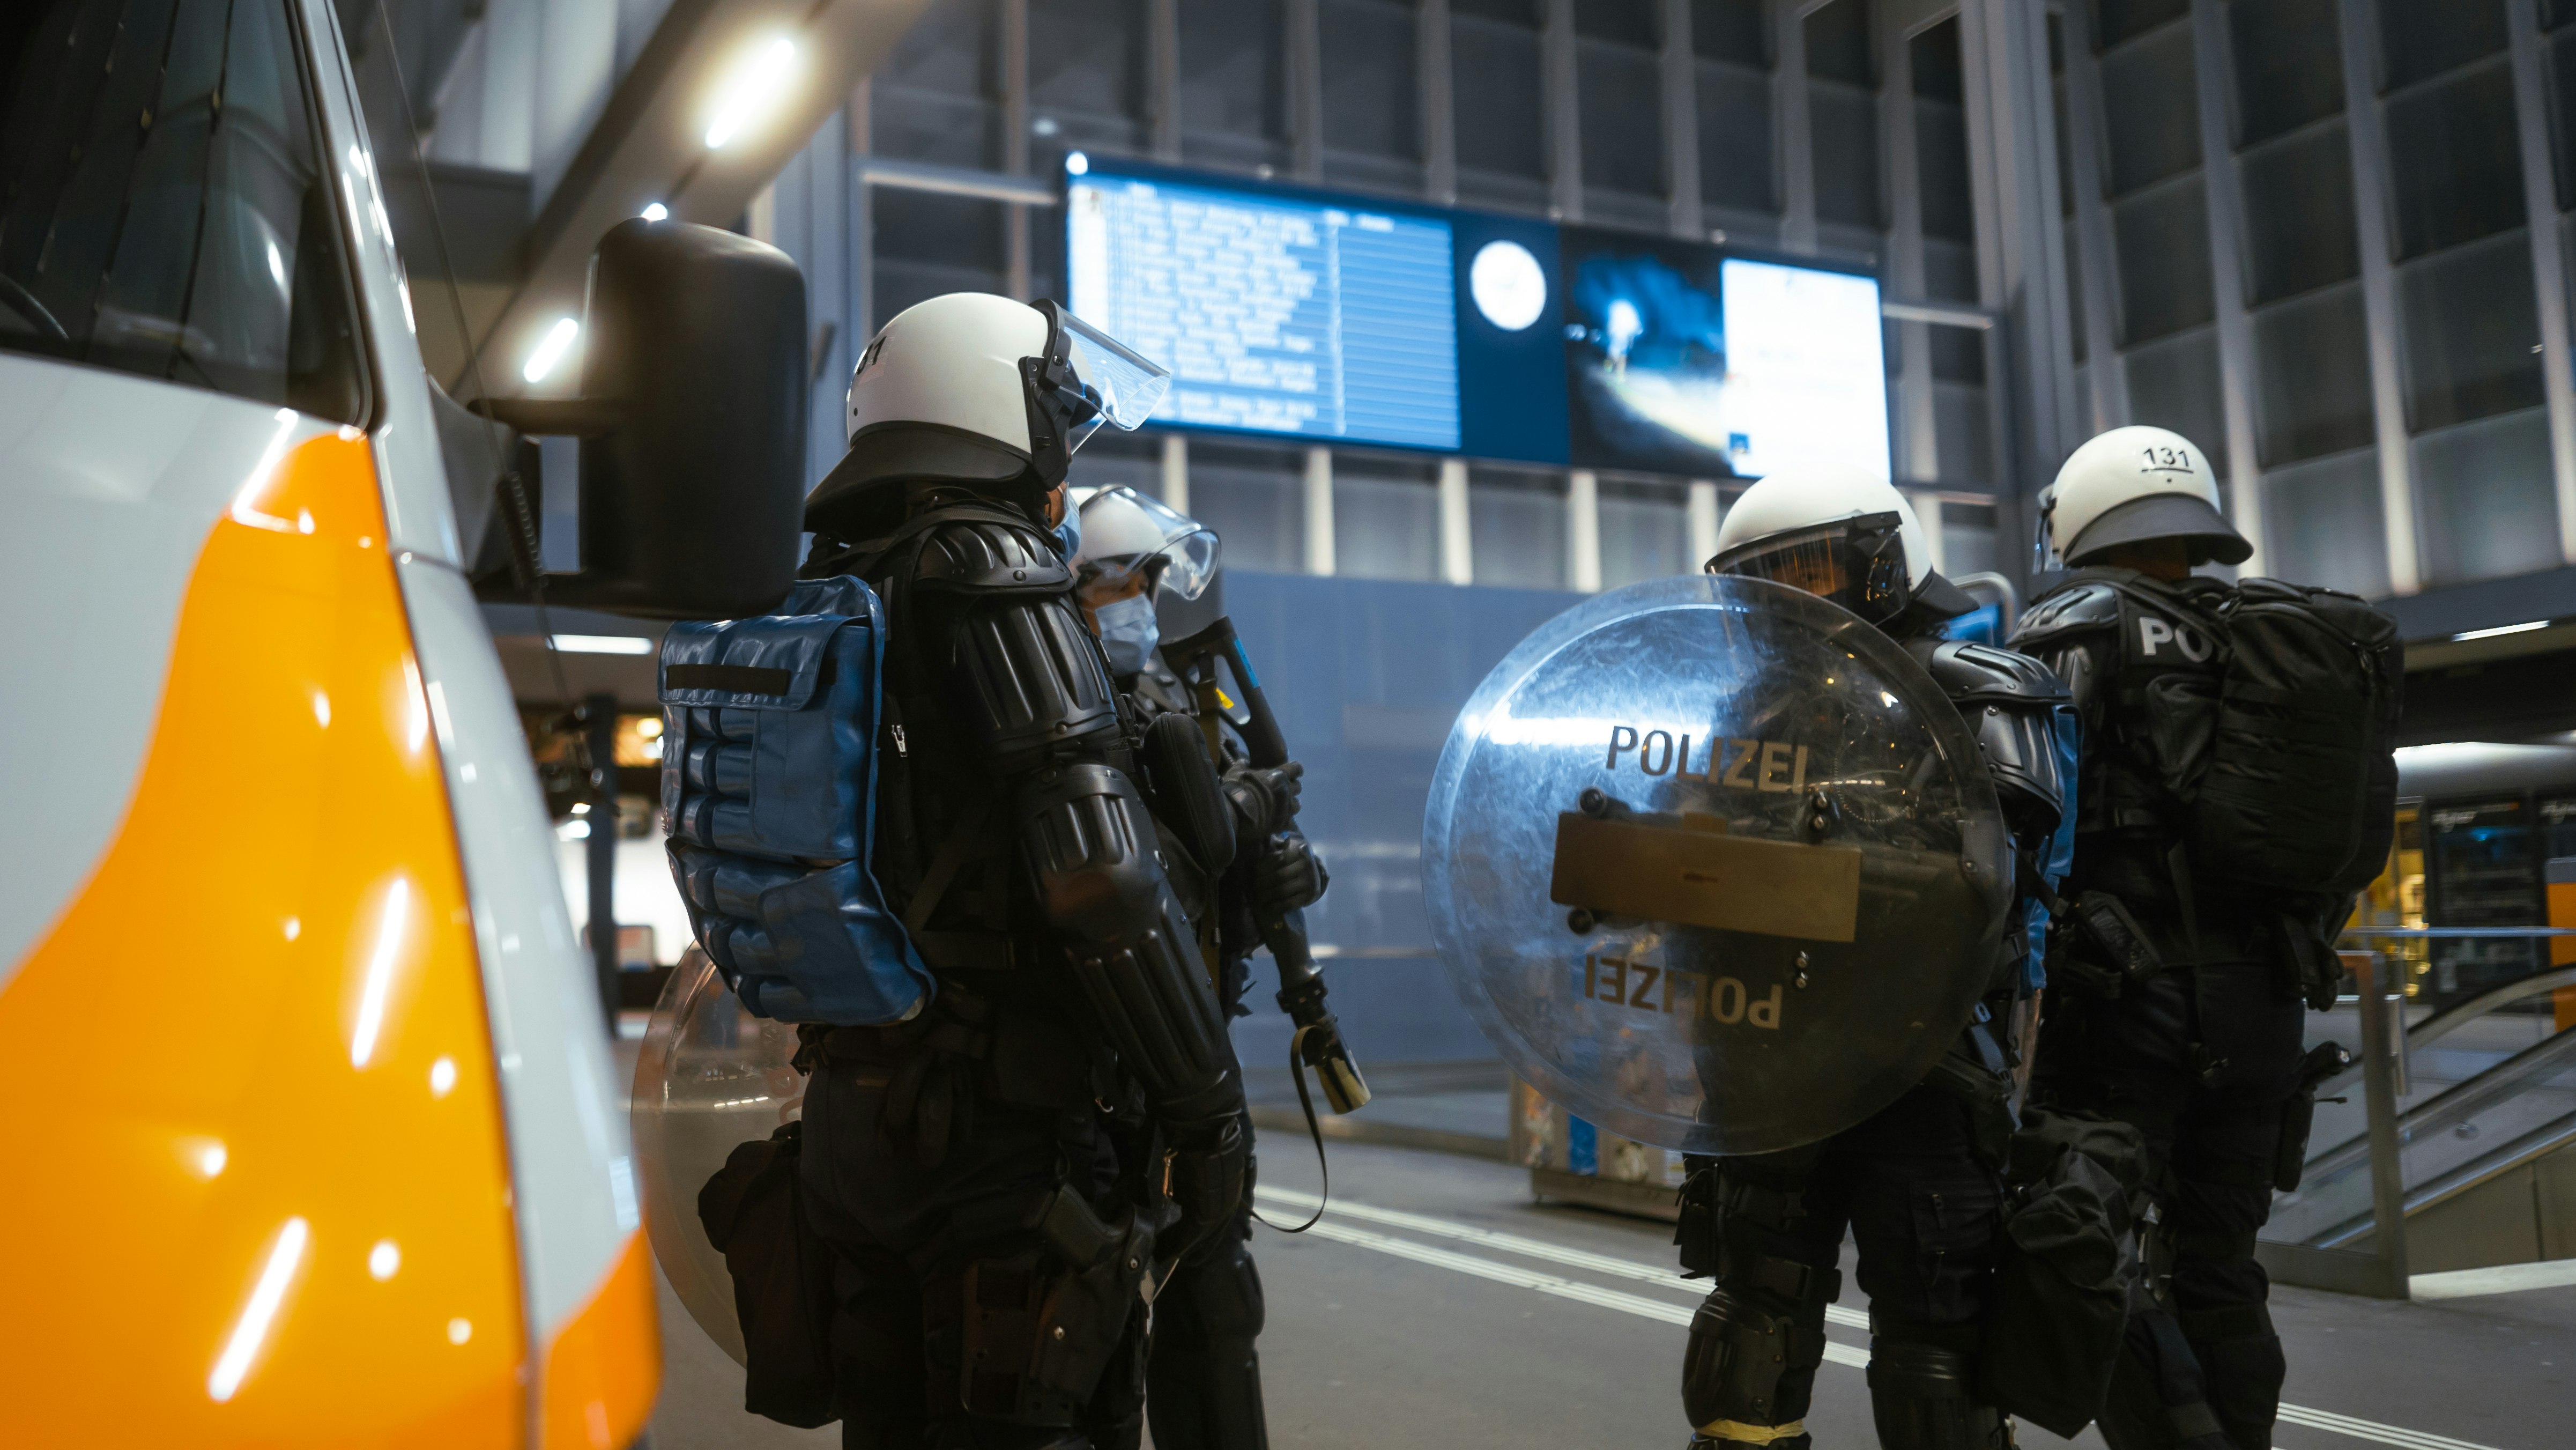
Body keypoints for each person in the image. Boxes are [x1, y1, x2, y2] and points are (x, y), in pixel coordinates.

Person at [790, 292, 1248, 1450]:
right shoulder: (988, 566)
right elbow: (1100, 874)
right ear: (999, 404)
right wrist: (1204, 1107)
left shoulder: (838, 583)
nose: (1061, 450)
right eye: (1053, 411)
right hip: (998, 1139)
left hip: (856, 1112)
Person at [1679, 467, 2072, 1450]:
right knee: (1751, 1321)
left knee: (1935, 1353)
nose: (1780, 601)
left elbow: (1990, 887)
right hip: (1768, 1058)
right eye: (1757, 582)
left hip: (1926, 1062)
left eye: (1803, 570)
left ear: (1884, 563)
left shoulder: (1976, 693)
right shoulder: (1747, 716)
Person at [2009, 425, 2357, 1450]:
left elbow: (2025, 804)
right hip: (2263, 1005)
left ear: (2080, 514)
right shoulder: (2275, 637)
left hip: (2122, 1006)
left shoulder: (2078, 622)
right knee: (2219, 1264)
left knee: (2087, 1245)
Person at [1068, 486, 1331, 1450]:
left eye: (1146, 582)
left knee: (1215, 1316)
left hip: (1194, 1055)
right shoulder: (1058, 711)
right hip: (1100, 1071)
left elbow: (1197, 887)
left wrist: (1273, 877)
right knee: (1090, 1333)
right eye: (1121, 584)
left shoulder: (1166, 695)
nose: (1140, 602)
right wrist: (1245, 814)